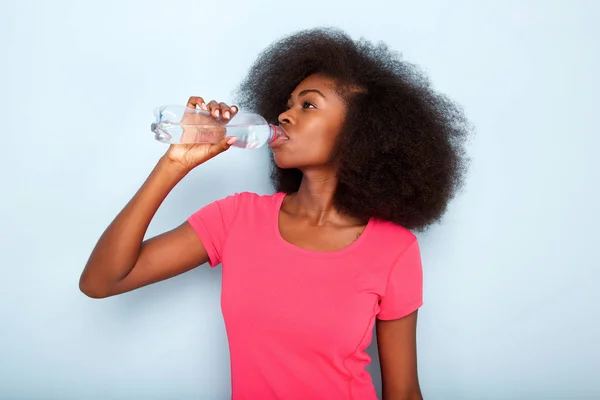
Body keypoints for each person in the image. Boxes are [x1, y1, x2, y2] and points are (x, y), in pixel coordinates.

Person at [80, 27, 470, 400]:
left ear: (361, 130)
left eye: (308, 105)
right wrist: (175, 164)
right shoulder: (236, 218)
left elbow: (403, 392)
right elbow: (101, 281)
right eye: (287, 104)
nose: (284, 116)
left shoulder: (394, 250)